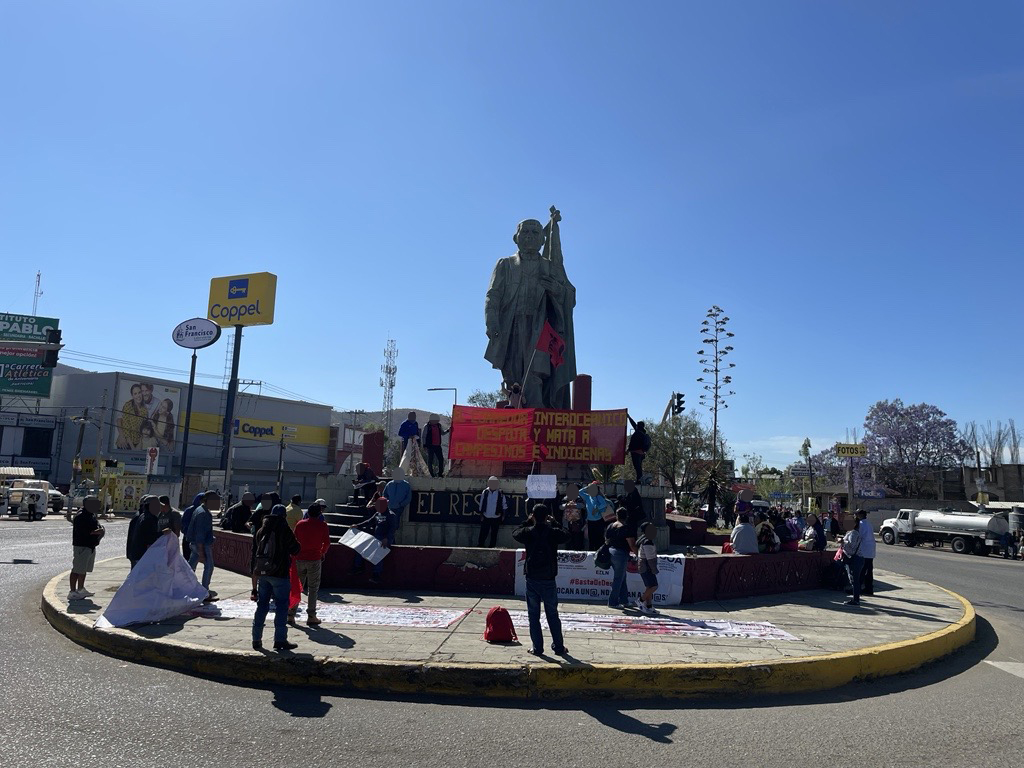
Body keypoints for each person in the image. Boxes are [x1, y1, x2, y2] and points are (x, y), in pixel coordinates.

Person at [484, 209, 577, 409]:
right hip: (511, 325)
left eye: (535, 233)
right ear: (516, 238)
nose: (530, 236)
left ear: (543, 239)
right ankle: (516, 408)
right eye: (525, 232)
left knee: (536, 371)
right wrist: (492, 323)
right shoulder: (505, 264)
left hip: (540, 326)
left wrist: (557, 290)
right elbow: (493, 295)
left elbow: (569, 294)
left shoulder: (550, 267)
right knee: (512, 372)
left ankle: (535, 413)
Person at [512, 504, 569, 656]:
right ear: (547, 517)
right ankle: (559, 647)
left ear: (534, 516)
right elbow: (566, 534)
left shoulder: (528, 532)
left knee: (533, 615)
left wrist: (527, 521)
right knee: (553, 615)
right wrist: (555, 522)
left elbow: (515, 533)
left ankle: (537, 648)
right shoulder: (553, 532)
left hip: (532, 577)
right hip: (548, 578)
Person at [250, 505, 301, 651]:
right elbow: (296, 549)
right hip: (280, 574)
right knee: (282, 606)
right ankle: (280, 640)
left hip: (263, 574)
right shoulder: (284, 529)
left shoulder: (261, 530)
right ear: (284, 516)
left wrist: (254, 582)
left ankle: (256, 639)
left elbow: (254, 555)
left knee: (262, 606)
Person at [293, 500, 332, 626]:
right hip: (314, 559)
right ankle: (311, 615)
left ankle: (291, 613)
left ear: (308, 513)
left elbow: (294, 540)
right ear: (319, 513)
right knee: (313, 588)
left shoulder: (300, 524)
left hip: (299, 558)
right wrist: (322, 552)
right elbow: (327, 543)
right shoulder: (323, 525)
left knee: (297, 587)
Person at [69, 496, 104, 601]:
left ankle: (81, 589)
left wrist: (100, 529)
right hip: (82, 546)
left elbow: (97, 526)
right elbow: (83, 532)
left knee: (83, 569)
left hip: (90, 546)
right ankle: (72, 592)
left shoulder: (91, 515)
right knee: (77, 569)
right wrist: (97, 532)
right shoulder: (80, 516)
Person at [187, 490, 220, 593]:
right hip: (202, 544)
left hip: (196, 543)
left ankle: (186, 586)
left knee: (191, 566)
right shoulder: (203, 513)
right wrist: (201, 552)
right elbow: (200, 533)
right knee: (209, 566)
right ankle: (205, 590)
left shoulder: (199, 510)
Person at [604, 507, 633, 609]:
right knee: (618, 578)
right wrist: (637, 554)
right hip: (621, 554)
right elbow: (631, 544)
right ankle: (612, 602)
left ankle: (624, 600)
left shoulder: (610, 526)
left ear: (617, 516)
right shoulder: (626, 528)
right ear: (626, 516)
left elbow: (606, 540)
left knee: (622, 577)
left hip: (611, 552)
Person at [126, 495, 162, 569]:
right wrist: (162, 534)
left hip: (137, 554)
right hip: (142, 555)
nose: (159, 508)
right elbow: (150, 538)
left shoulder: (143, 516)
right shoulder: (148, 519)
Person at [634, 522, 659, 615]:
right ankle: (640, 600)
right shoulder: (647, 542)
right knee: (654, 586)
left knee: (649, 587)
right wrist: (654, 569)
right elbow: (650, 559)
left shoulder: (644, 540)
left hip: (643, 567)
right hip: (647, 568)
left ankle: (649, 606)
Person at [476, 476, 508, 548]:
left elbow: (504, 504)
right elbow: (481, 503)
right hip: (486, 515)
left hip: (496, 516)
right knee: (483, 531)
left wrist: (503, 515)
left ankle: (492, 546)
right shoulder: (485, 492)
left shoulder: (500, 492)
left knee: (494, 533)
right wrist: (481, 514)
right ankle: (480, 544)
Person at [115, 383, 147, 449]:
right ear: (132, 396)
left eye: (139, 392)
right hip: (126, 443)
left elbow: (142, 429)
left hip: (137, 443)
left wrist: (139, 446)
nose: (138, 395)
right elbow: (126, 427)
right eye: (135, 394)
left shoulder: (144, 410)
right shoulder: (128, 406)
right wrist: (133, 448)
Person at [841, 521, 865, 606]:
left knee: (854, 580)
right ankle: (855, 599)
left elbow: (852, 546)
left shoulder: (854, 533)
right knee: (854, 580)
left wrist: (842, 541)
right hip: (856, 558)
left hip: (854, 559)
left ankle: (856, 600)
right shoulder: (851, 532)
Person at [580, 482, 610, 551]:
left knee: (599, 539)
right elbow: (579, 492)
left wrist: (597, 509)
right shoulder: (587, 496)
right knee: (591, 539)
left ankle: (600, 551)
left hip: (598, 520)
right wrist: (587, 487)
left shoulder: (598, 497)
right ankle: (592, 552)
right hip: (590, 521)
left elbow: (604, 504)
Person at [382, 466, 411, 532]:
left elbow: (408, 497)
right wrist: (387, 502)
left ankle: (394, 536)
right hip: (389, 508)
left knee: (395, 524)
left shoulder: (406, 485)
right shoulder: (389, 484)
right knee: (388, 524)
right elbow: (384, 494)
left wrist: (401, 504)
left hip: (399, 508)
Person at [619, 479, 645, 551]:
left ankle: (633, 549)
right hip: (632, 516)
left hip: (633, 517)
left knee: (631, 533)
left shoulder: (633, 493)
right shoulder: (632, 492)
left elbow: (630, 503)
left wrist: (622, 500)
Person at [560, 483, 586, 551]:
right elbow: (560, 507)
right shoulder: (565, 498)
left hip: (577, 522)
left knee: (577, 539)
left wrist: (574, 505)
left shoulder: (579, 498)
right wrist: (566, 505)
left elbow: (583, 506)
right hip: (567, 523)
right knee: (568, 540)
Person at [856, 509, 876, 596]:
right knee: (869, 571)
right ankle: (869, 588)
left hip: (864, 550)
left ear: (860, 515)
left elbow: (858, 536)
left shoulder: (861, 524)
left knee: (861, 571)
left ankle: (858, 588)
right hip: (870, 550)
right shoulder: (869, 523)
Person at [626, 417, 651, 482]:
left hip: (636, 452)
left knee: (637, 467)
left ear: (638, 426)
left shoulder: (638, 433)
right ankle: (639, 479)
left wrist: (629, 450)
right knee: (638, 467)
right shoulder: (642, 433)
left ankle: (639, 480)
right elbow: (633, 424)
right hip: (640, 453)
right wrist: (629, 417)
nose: (636, 426)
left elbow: (634, 444)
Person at [180, 492, 204, 560]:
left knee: (190, 558)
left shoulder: (190, 510)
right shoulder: (194, 511)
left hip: (190, 537)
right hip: (191, 538)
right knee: (190, 558)